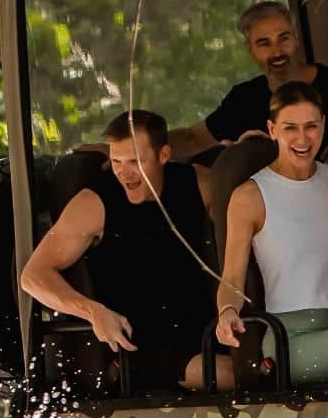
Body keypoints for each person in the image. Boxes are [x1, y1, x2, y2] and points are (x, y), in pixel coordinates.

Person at [19, 110, 217, 390]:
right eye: (116, 161)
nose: (125, 173)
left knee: (257, 368)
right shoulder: (95, 203)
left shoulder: (197, 183)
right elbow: (33, 276)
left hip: (208, 330)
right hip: (140, 347)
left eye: (135, 161)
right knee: (235, 376)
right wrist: (92, 312)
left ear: (164, 155)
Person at [213, 83, 328, 385]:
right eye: (290, 128)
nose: (302, 139)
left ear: (324, 126)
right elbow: (232, 278)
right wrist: (227, 311)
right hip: (290, 343)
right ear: (272, 129)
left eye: (311, 127)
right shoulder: (250, 196)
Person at [165, 1, 328, 166]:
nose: (277, 52)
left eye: (283, 39)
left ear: (296, 39)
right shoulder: (245, 100)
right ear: (250, 50)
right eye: (264, 43)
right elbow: (192, 139)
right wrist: (139, 149)